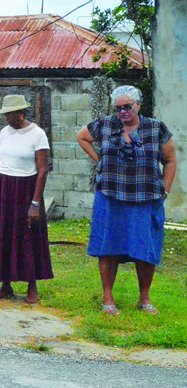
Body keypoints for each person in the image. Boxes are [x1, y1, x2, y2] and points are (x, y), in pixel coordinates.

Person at [76, 85, 177, 316]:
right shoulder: (104, 125)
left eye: (127, 107)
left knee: (145, 248)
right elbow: (82, 137)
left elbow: (170, 160)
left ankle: (144, 298)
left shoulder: (156, 128)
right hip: (111, 196)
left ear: (138, 105)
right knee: (108, 247)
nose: (122, 112)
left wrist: (166, 189)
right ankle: (108, 297)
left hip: (146, 199)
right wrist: (99, 159)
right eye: (118, 108)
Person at [0, 95, 52, 304]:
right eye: (6, 115)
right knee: (3, 233)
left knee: (28, 236)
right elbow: (3, 162)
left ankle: (32, 286)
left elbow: (42, 170)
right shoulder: (4, 133)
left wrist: (35, 203)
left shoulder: (37, 134)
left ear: (21, 112)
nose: (8, 119)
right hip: (3, 187)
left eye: (11, 114)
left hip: (26, 189)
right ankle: (5, 285)